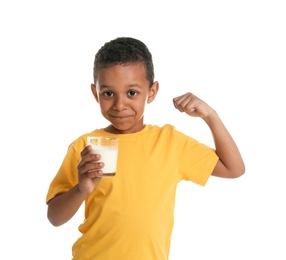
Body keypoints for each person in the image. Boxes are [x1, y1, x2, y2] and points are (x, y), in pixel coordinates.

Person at [46, 37, 245, 260]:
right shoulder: (86, 147)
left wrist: (210, 116)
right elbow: (54, 217)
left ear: (151, 92)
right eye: (108, 93)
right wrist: (82, 189)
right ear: (96, 93)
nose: (120, 105)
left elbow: (233, 168)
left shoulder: (170, 142)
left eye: (132, 93)